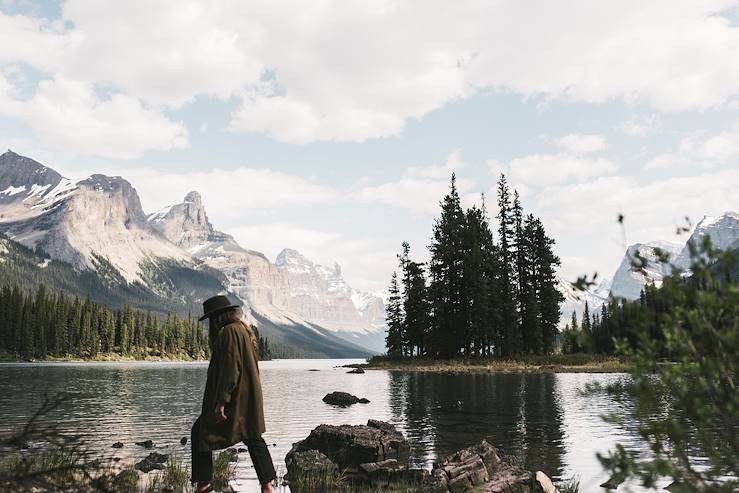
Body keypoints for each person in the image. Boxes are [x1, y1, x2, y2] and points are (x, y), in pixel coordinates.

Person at [191, 295, 276, 493]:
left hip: (236, 399)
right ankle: (268, 485)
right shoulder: (242, 330)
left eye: (212, 319)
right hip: (247, 397)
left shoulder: (228, 332)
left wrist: (221, 401)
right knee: (253, 436)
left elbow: (230, 369)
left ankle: (203, 484)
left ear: (218, 317)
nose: (211, 324)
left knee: (200, 431)